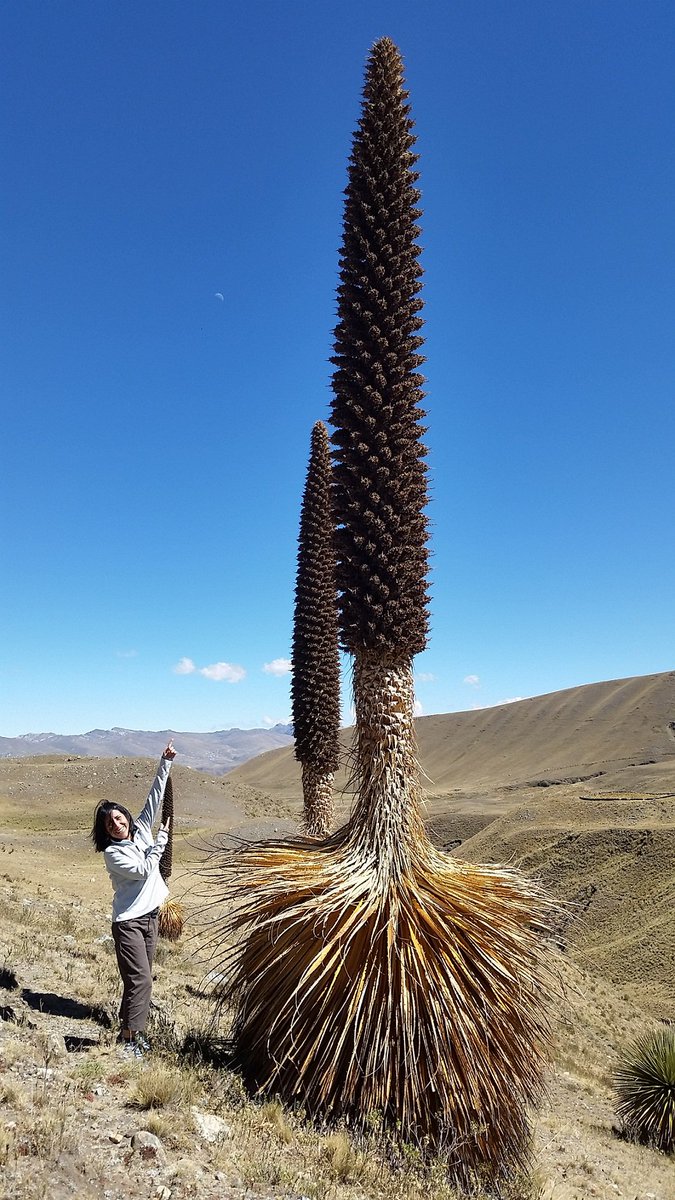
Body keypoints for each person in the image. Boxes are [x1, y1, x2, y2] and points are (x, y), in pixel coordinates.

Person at [91, 741, 176, 1058]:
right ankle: (130, 1040)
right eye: (109, 823)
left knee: (138, 981)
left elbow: (154, 798)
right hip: (127, 923)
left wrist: (164, 762)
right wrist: (163, 838)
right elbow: (142, 869)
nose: (116, 823)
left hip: (150, 918)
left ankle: (129, 1033)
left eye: (118, 817)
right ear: (105, 831)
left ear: (125, 816)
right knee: (141, 980)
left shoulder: (141, 829)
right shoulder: (113, 854)